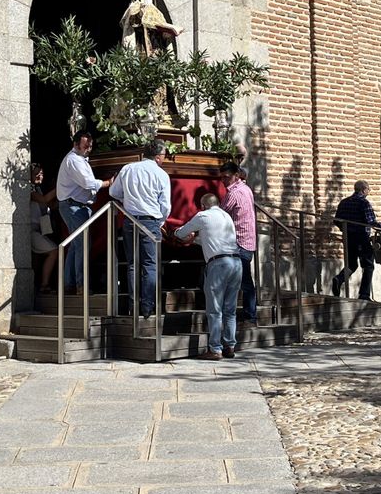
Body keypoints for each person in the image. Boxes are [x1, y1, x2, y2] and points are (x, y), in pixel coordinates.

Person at [176, 193, 243, 359]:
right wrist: (196, 239)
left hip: (218, 265)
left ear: (203, 205)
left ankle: (215, 349)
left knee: (214, 310)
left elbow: (181, 232)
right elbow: (212, 238)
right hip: (235, 262)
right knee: (230, 309)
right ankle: (230, 346)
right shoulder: (226, 216)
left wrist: (178, 232)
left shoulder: (203, 215)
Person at [110, 140, 172, 316]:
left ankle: (133, 305)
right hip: (150, 220)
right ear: (159, 157)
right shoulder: (161, 174)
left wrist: (128, 199)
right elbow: (165, 205)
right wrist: (160, 221)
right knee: (150, 265)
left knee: (132, 264)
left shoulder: (128, 168)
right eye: (164, 156)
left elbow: (113, 192)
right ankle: (146, 306)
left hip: (130, 220)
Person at [56, 130, 106, 293]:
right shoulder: (74, 160)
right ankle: (80, 285)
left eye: (90, 146)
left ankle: (70, 283)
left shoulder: (80, 159)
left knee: (76, 246)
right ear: (75, 144)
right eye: (85, 146)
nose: (88, 149)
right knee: (82, 245)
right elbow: (87, 183)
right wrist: (106, 183)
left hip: (77, 205)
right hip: (74, 206)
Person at [331, 181, 381, 301]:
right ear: (363, 190)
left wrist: (345, 229)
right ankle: (364, 295)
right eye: (368, 189)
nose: (369, 192)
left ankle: (339, 279)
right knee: (368, 265)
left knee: (352, 264)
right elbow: (371, 221)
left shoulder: (344, 202)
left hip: (348, 237)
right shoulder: (363, 203)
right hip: (361, 237)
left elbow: (336, 220)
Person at [219, 161, 259, 323]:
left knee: (241, 281)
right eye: (221, 178)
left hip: (240, 243)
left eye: (226, 177)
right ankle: (249, 314)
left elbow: (220, 214)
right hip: (248, 241)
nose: (223, 180)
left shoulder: (233, 194)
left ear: (236, 176)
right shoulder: (246, 189)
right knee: (245, 280)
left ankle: (248, 316)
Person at [29, 164, 59, 293]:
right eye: (36, 173)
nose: (39, 176)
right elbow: (44, 199)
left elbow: (51, 205)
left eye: (41, 173)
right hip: (31, 230)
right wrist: (60, 187)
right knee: (54, 251)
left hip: (41, 229)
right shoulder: (29, 189)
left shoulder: (39, 188)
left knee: (37, 259)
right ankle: (44, 284)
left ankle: (36, 285)